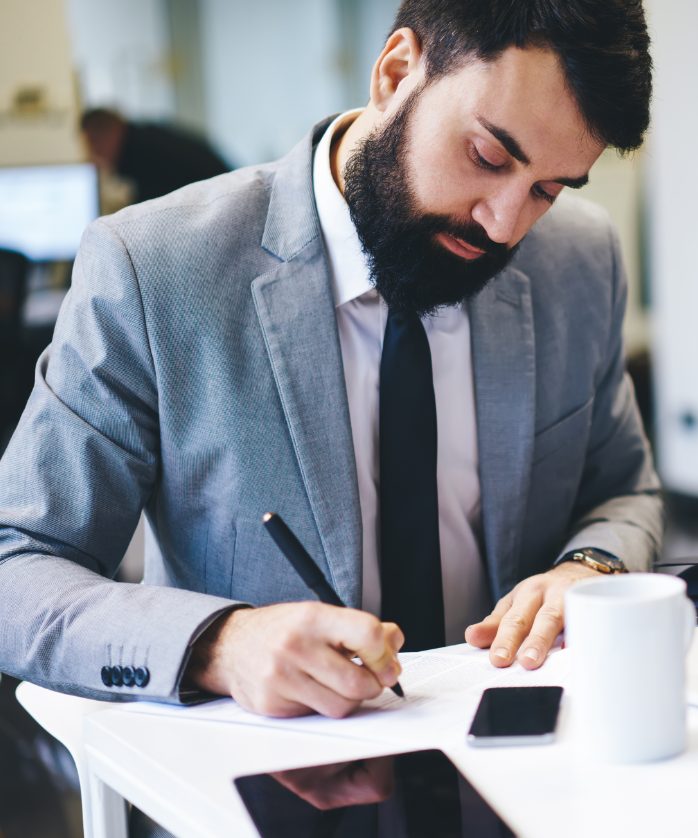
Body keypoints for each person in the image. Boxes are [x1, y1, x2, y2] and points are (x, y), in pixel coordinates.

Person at [0, 0, 660, 719]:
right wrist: (221, 644)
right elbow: (17, 565)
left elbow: (625, 492)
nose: (505, 225)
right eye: (488, 157)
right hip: (268, 783)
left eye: (548, 189)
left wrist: (590, 568)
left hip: (526, 761)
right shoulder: (154, 267)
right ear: (397, 71)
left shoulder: (579, 260)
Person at [80, 108, 231, 203]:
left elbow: (150, 215)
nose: (95, 153)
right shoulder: (145, 139)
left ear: (111, 133)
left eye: (94, 143)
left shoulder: (143, 152)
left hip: (224, 203)